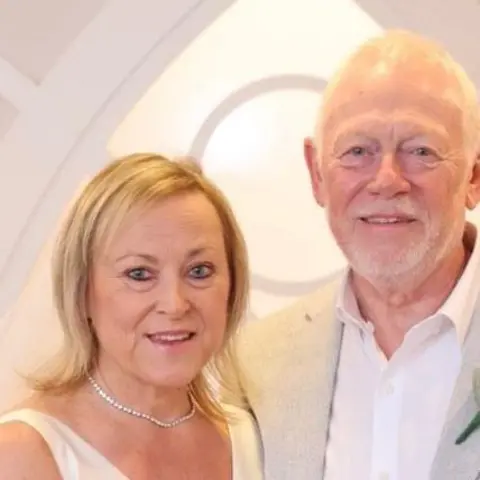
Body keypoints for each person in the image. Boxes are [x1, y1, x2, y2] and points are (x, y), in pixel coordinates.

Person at [232, 30, 480, 480]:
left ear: (475, 175)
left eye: (421, 150)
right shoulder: (255, 363)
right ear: (317, 173)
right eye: (357, 151)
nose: (387, 180)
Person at [0, 153, 263, 479]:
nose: (175, 303)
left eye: (199, 271)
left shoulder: (255, 439)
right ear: (82, 292)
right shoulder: (20, 455)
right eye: (139, 274)